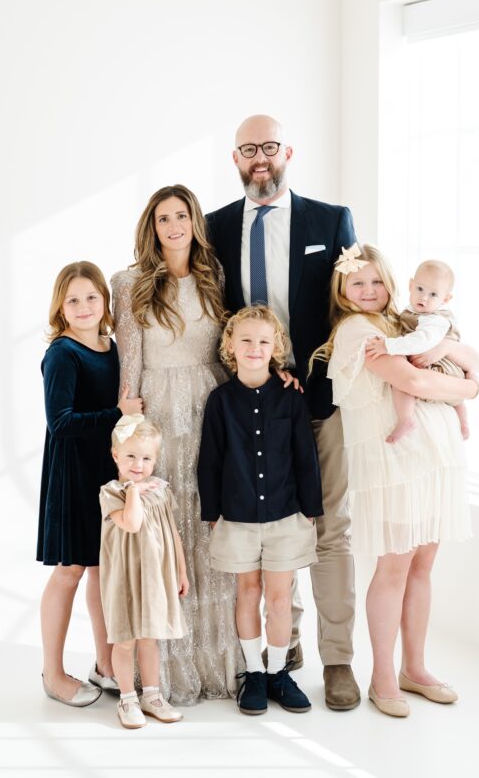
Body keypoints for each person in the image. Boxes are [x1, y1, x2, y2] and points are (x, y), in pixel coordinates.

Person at [205, 114, 361, 711]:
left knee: (329, 531)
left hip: (321, 402)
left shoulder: (330, 220)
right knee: (270, 528)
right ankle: (279, 653)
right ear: (236, 158)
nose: (260, 159)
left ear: (287, 150)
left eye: (269, 146)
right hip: (251, 409)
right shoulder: (216, 227)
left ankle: (340, 660)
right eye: (248, 150)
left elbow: (359, 299)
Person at [313, 244, 479, 717]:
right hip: (395, 461)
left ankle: (415, 667)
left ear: (392, 283)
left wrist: (461, 369)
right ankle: (382, 674)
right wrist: (467, 387)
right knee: (394, 568)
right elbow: (421, 383)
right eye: (357, 283)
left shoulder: (404, 325)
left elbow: (469, 357)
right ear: (342, 290)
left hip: (435, 454)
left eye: (376, 281)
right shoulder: (356, 330)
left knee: (423, 567)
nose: (368, 291)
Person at [111, 184, 242, 704]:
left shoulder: (215, 276)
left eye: (182, 215)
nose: (173, 226)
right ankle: (165, 672)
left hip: (211, 408)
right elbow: (130, 363)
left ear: (194, 222)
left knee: (211, 520)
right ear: (152, 225)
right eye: (163, 217)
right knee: (166, 529)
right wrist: (129, 424)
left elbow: (229, 347)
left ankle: (222, 662)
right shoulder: (131, 282)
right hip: (160, 410)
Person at [198, 305, 323, 716]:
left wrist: (310, 509)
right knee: (247, 592)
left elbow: (305, 456)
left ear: (276, 348)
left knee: (279, 596)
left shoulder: (290, 397)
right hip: (236, 517)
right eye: (246, 340)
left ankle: (277, 673)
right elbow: (211, 459)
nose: (255, 348)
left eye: (264, 341)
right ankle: (253, 672)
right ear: (230, 345)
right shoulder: (220, 401)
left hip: (286, 516)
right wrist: (212, 511)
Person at [36, 261, 142, 707]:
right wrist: (118, 415)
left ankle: (104, 665)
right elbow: (59, 423)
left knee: (103, 572)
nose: (83, 307)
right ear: (61, 306)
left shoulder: (110, 346)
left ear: (105, 301)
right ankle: (53, 672)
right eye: (73, 299)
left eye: (91, 298)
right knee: (71, 571)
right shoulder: (62, 353)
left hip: (105, 473)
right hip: (73, 474)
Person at [100, 415, 188, 729]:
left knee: (150, 639)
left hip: (154, 576)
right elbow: (133, 523)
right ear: (116, 456)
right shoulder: (112, 492)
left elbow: (172, 532)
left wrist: (180, 570)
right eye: (131, 456)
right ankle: (127, 700)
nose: (139, 464)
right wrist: (134, 490)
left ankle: (152, 696)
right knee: (125, 640)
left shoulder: (161, 489)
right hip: (124, 578)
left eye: (147, 458)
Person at [365, 258, 470, 441]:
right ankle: (463, 422)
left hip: (440, 367)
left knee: (400, 382)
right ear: (411, 285)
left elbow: (420, 342)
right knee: (457, 401)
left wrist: (388, 345)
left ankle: (406, 419)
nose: (424, 297)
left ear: (445, 299)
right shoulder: (413, 310)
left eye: (433, 295)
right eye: (420, 289)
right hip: (441, 368)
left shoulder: (435, 319)